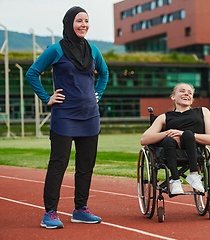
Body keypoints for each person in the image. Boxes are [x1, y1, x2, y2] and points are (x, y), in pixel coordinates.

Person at [26, 6, 109, 229]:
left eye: (86, 21)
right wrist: (46, 98)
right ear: (69, 23)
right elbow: (32, 72)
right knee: (58, 165)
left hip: (90, 116)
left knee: (86, 166)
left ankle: (80, 210)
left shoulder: (93, 51)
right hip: (64, 117)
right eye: (79, 20)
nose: (83, 25)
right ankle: (50, 213)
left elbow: (104, 73)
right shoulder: (55, 50)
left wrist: (98, 94)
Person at [140, 83, 210, 194]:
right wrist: (168, 133)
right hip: (170, 151)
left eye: (190, 93)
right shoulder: (165, 117)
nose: (186, 93)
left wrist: (181, 133)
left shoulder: (203, 111)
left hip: (195, 150)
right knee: (168, 140)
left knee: (188, 134)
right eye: (182, 91)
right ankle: (175, 180)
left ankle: (194, 174)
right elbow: (144, 140)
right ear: (173, 97)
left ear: (192, 99)